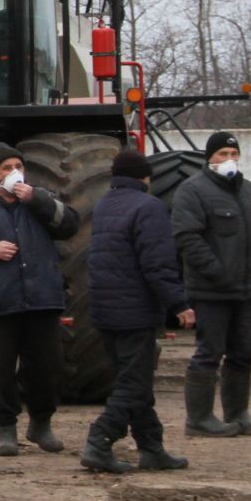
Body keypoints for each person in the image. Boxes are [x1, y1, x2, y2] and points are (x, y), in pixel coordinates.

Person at [0, 141, 82, 456]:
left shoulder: (40, 199)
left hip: (42, 299)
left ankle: (41, 425)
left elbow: (71, 224)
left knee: (47, 368)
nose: (14, 173)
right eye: (6, 168)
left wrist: (37, 200)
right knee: (1, 369)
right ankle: (6, 430)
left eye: (18, 166)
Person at [81, 148, 197, 473]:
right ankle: (100, 439)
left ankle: (151, 447)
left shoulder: (105, 204)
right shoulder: (149, 206)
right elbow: (157, 264)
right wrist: (180, 304)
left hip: (104, 311)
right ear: (145, 177)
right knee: (133, 385)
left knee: (135, 382)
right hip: (134, 312)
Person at [172, 131, 251, 437]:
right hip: (211, 291)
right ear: (210, 158)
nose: (229, 160)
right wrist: (215, 270)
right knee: (209, 352)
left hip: (244, 290)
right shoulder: (192, 191)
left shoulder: (248, 190)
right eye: (222, 154)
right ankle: (199, 419)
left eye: (233, 154)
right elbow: (187, 237)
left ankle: (238, 414)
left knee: (245, 352)